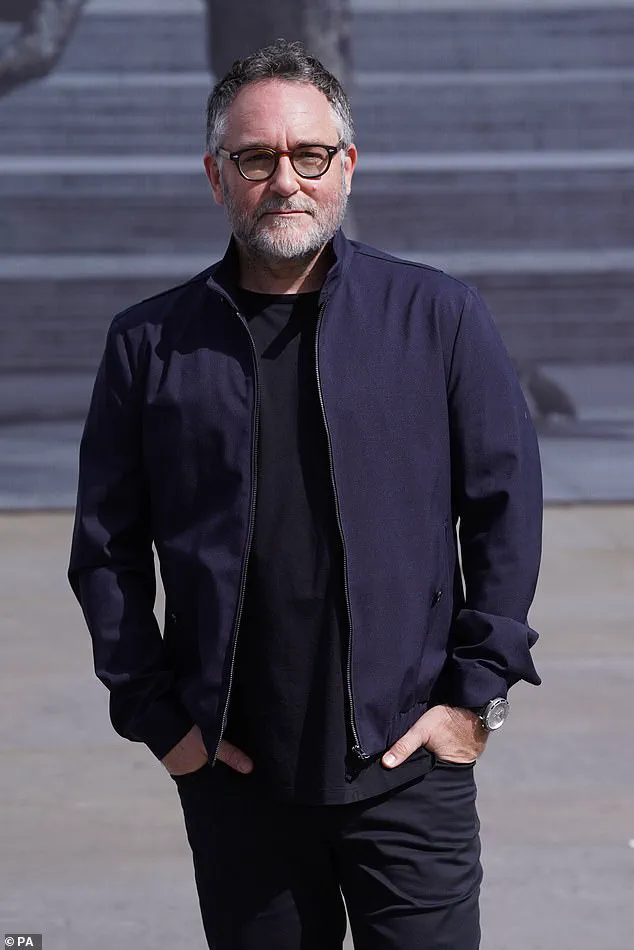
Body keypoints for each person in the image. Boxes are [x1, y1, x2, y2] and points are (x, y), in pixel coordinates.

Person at [68, 39, 543, 950]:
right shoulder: (149, 345)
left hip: (411, 774)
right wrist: (162, 721)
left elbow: (506, 512)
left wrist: (472, 700)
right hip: (237, 782)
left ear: (347, 165)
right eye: (256, 158)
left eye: (310, 155)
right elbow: (105, 551)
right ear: (217, 175)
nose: (285, 180)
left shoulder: (439, 318)